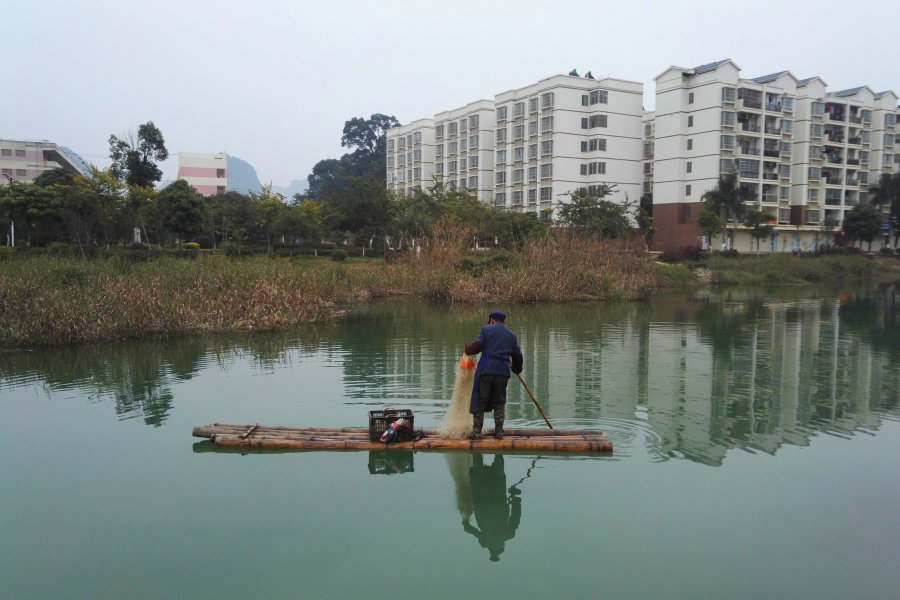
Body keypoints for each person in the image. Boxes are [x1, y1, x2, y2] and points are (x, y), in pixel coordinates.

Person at [464, 311, 524, 439]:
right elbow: (518, 356)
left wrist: (467, 348)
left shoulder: (486, 330)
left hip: (486, 370)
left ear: (491, 320)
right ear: (504, 321)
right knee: (499, 401)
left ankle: (477, 433)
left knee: (480, 401)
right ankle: (499, 432)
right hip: (502, 371)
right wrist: (516, 369)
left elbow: (477, 347)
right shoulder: (512, 335)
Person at [461, 454, 522, 562]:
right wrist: (465, 522)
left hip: (500, 506)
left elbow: (515, 516)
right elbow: (469, 529)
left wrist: (515, 497)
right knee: (480, 480)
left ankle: (498, 454)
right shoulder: (484, 542)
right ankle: (477, 453)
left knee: (498, 479)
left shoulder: (508, 535)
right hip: (483, 508)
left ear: (502, 546)